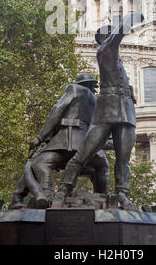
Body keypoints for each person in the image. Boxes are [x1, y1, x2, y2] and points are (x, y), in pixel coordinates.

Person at [58, 13, 143, 210]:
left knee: (124, 159)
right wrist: (130, 18)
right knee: (84, 152)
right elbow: (117, 36)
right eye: (110, 34)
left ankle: (122, 195)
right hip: (106, 111)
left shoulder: (118, 59)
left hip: (125, 113)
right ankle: (64, 189)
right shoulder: (105, 49)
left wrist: (129, 93)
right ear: (105, 38)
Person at [10, 73, 109, 209]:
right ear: (92, 85)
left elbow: (58, 110)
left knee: (36, 162)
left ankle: (38, 195)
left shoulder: (73, 88)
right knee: (101, 166)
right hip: (87, 145)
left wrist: (40, 137)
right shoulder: (97, 102)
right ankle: (103, 199)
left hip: (66, 140)